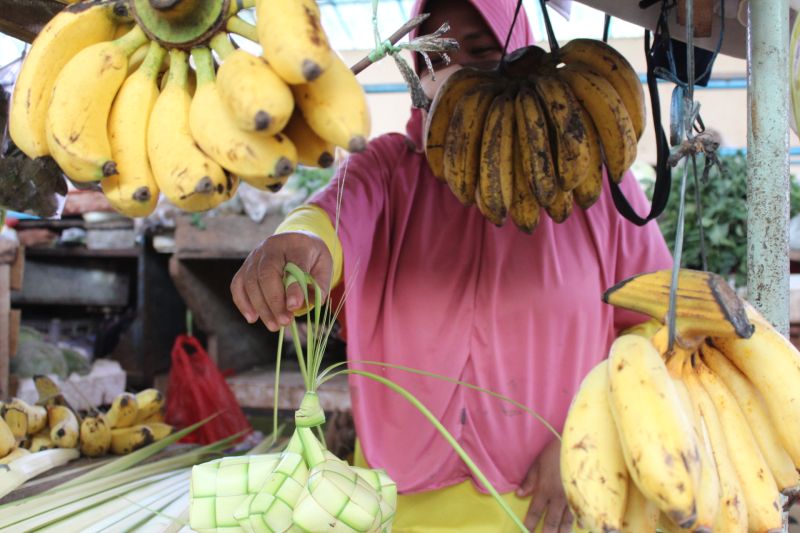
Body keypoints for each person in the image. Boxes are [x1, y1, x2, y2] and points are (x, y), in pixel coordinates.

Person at [230, 0, 673, 531]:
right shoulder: (390, 170)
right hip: (399, 509)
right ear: (418, 73)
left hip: (552, 503)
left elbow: (654, 322)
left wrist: (591, 437)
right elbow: (328, 215)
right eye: (437, 54)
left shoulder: (594, 182)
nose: (459, 70)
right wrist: (296, 239)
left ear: (524, 55)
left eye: (484, 51)